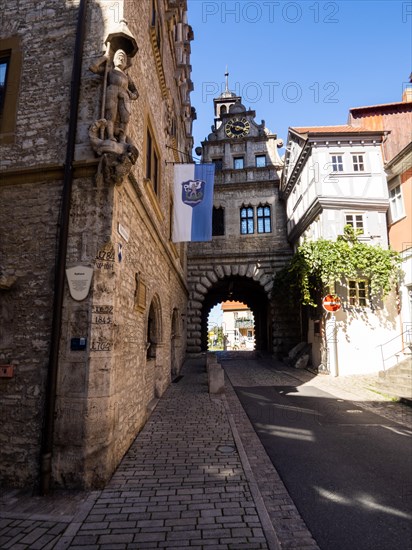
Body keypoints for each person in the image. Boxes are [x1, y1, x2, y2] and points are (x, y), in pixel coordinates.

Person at [90, 48, 138, 143]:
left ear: (125, 63)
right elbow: (93, 67)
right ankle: (110, 136)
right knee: (111, 115)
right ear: (114, 59)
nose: (121, 59)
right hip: (112, 91)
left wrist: (131, 95)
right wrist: (105, 57)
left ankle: (122, 140)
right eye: (119, 57)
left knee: (125, 118)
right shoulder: (109, 70)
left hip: (125, 96)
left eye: (123, 58)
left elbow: (136, 92)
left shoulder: (127, 76)